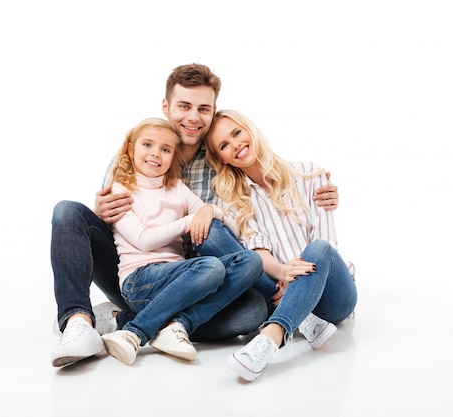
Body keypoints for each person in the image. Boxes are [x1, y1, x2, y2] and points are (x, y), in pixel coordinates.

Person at [50, 63, 340, 367]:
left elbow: (248, 210)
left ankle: (130, 321)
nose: (192, 117)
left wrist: (314, 186)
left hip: (201, 282)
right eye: (184, 106)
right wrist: (101, 214)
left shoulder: (221, 162)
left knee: (254, 308)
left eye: (203, 109)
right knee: (68, 212)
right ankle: (79, 324)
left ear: (213, 112)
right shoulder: (139, 153)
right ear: (166, 106)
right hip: (136, 273)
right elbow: (123, 233)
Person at [206, 109, 358, 382]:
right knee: (244, 259)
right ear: (222, 159)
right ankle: (302, 321)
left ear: (249, 130)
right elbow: (257, 248)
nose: (235, 145)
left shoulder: (311, 174)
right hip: (279, 287)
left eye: (237, 133)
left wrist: (294, 280)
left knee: (320, 248)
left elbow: (324, 242)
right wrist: (280, 272)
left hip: (333, 296)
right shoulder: (234, 199)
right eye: (224, 146)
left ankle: (271, 336)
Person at [99, 117, 262, 365]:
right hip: (140, 281)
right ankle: (134, 332)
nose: (156, 154)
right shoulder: (121, 190)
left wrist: (210, 211)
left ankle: (175, 325)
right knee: (211, 266)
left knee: (251, 261)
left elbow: (229, 223)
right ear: (131, 149)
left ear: (174, 157)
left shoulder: (177, 189)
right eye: (147, 145)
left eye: (165, 150)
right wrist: (189, 222)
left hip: (182, 282)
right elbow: (143, 240)